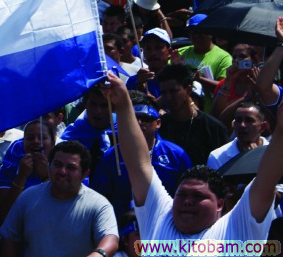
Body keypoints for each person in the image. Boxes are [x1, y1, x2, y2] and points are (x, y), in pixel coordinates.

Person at [104, 71, 279, 247]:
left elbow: (266, 179)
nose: (187, 201)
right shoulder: (159, 218)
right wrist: (123, 103)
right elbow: (138, 163)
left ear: (219, 204)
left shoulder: (237, 228)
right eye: (182, 194)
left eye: (198, 196)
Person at [0, 141, 119, 257]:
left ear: (85, 174)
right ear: (49, 166)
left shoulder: (98, 204)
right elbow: (10, 239)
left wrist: (99, 254)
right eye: (57, 164)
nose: (62, 171)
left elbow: (111, 239)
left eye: (71, 168)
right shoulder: (28, 197)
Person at [91, 91, 192, 222]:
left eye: (145, 118)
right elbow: (99, 198)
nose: (139, 122)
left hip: (165, 229)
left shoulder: (176, 155)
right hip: (124, 232)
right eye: (134, 118)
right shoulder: (111, 156)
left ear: (158, 123)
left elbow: (188, 195)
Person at [157, 64, 229, 165]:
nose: (168, 97)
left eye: (174, 91)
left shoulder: (213, 128)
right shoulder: (159, 127)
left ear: (189, 89)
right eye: (164, 93)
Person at [0, 120, 53, 226]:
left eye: (42, 138)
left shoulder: (62, 165)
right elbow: (3, 212)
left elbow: (65, 206)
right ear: (24, 143)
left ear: (52, 143)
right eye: (30, 138)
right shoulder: (13, 163)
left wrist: (46, 177)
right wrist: (21, 177)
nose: (36, 141)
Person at [208, 102, 269, 169]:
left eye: (249, 120)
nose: (242, 125)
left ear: (263, 126)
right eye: (238, 120)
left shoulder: (275, 153)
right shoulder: (217, 157)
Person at [126, 28, 171, 98]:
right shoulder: (134, 81)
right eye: (148, 48)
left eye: (158, 47)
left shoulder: (178, 80)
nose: (153, 53)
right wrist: (139, 87)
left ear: (169, 51)